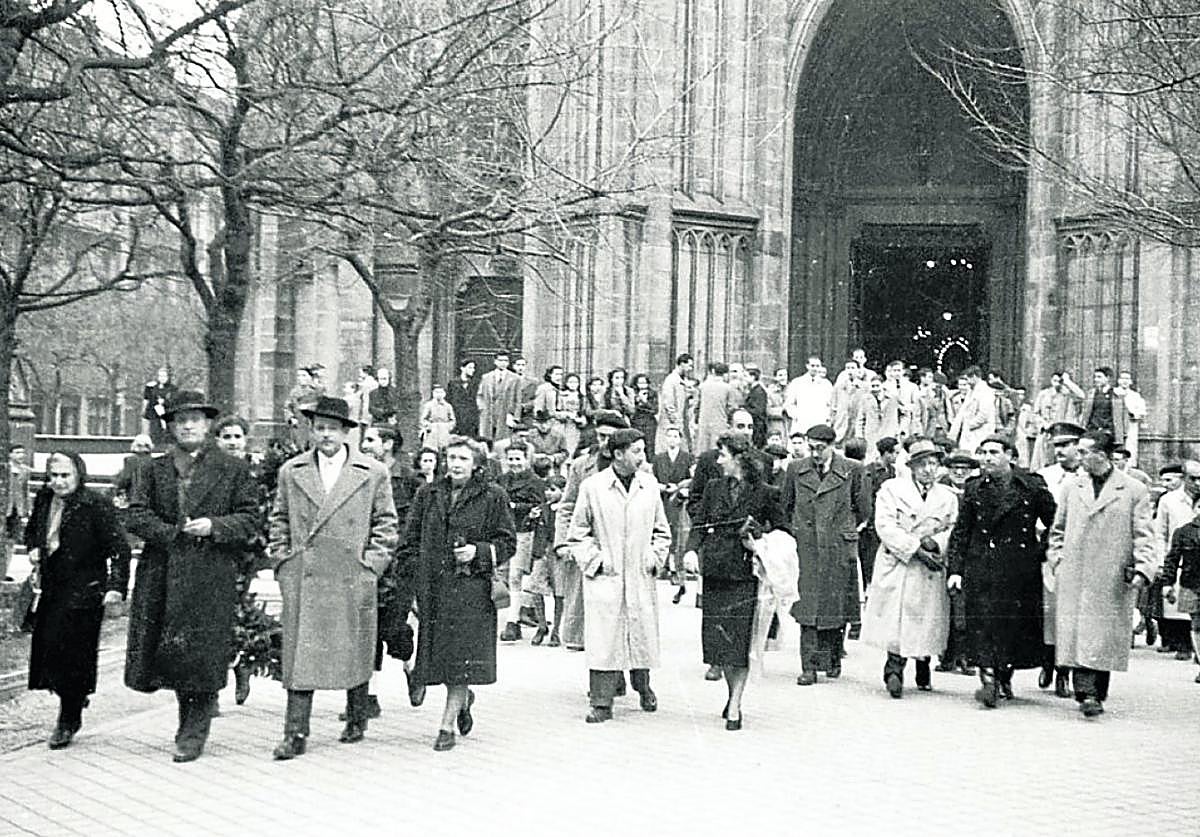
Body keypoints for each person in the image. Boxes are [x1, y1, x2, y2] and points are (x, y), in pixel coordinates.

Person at [123, 390, 260, 763]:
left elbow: (250, 519)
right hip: (163, 571)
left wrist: (214, 526)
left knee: (202, 654)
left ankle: (193, 732)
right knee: (172, 653)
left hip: (209, 572)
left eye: (195, 420)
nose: (188, 426)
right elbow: (136, 514)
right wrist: (171, 533)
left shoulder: (232, 469)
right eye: (180, 420)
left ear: (208, 424)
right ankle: (189, 721)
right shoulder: (153, 469)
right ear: (170, 427)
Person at [267, 396, 399, 759]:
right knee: (300, 656)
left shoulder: (372, 472)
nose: (326, 435)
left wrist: (371, 566)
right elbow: (279, 519)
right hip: (305, 575)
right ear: (311, 430)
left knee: (354, 648)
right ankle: (295, 732)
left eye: (333, 428)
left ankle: (356, 716)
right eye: (320, 428)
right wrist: (283, 562)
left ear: (345, 433)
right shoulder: (291, 471)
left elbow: (386, 523)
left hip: (351, 574)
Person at [398, 436, 516, 750]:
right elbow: (410, 540)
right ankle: (463, 700)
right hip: (434, 589)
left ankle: (446, 726)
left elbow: (507, 542)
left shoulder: (493, 496)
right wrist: (412, 580)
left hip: (471, 591)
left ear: (476, 464)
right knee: (440, 658)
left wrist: (479, 552)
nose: (456, 464)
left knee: (461, 659)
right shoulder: (428, 494)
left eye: (463, 458)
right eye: (451, 458)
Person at [1047, 429, 1158, 717]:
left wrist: (1143, 567)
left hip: (1111, 573)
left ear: (1102, 455)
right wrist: (1057, 559)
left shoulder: (1133, 490)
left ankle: (1095, 692)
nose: (1079, 456)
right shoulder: (1072, 487)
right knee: (1080, 633)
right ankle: (1087, 693)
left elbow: (1144, 534)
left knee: (1102, 634)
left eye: (1084, 452)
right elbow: (1057, 529)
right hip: (1075, 571)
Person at [24, 450, 129, 749]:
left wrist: (116, 587)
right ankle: (73, 696)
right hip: (52, 587)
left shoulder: (95, 504)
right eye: (53, 476)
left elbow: (119, 548)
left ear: (78, 475)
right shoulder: (45, 499)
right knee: (50, 651)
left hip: (84, 589)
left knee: (75, 655)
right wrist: (34, 547)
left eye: (65, 476)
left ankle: (68, 718)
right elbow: (33, 531)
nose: (59, 482)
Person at [566, 428, 671, 724]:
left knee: (638, 634)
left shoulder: (649, 486)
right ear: (618, 454)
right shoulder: (593, 487)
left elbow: (662, 531)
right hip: (606, 576)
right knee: (605, 640)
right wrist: (595, 561)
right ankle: (601, 702)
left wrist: (654, 557)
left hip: (639, 574)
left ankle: (643, 686)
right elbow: (578, 533)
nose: (642, 457)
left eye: (643, 451)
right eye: (636, 451)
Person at [945, 435, 1056, 708]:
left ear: (1010, 456)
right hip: (981, 566)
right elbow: (962, 531)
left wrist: (1039, 551)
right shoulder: (974, 488)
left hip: (1019, 569)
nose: (987, 458)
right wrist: (956, 569)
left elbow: (1056, 523)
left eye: (994, 452)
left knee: (1012, 627)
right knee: (983, 624)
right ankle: (989, 681)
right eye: (983, 452)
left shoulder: (1031, 485)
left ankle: (1004, 676)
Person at [682, 434, 781, 729]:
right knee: (720, 645)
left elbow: (783, 531)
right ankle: (731, 694)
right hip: (715, 572)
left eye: (723, 455)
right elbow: (699, 524)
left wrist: (759, 543)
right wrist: (690, 550)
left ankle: (736, 704)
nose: (719, 460)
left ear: (738, 458)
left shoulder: (765, 492)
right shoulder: (714, 488)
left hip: (744, 575)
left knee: (738, 643)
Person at [861, 439, 958, 698]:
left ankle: (923, 666)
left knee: (925, 618)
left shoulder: (947, 497)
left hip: (931, 565)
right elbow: (884, 526)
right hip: (900, 562)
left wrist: (936, 542)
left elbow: (954, 528)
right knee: (897, 620)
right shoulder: (892, 490)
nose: (928, 469)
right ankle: (894, 670)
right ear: (912, 466)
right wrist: (915, 548)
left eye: (933, 464)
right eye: (922, 464)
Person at [783, 423, 870, 685]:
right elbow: (786, 506)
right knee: (808, 606)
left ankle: (831, 658)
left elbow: (863, 509)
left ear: (833, 446)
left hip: (837, 546)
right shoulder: (796, 469)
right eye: (811, 448)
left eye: (820, 448)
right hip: (807, 546)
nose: (815, 454)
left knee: (835, 604)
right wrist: (799, 531)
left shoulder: (853, 469)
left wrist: (842, 530)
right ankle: (808, 666)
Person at [554, 411, 628, 651]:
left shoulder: (632, 467)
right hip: (586, 546)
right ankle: (582, 646)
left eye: (609, 437)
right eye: (600, 436)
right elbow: (567, 506)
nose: (604, 442)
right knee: (581, 606)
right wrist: (563, 543)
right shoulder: (581, 466)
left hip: (619, 546)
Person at [360, 424, 421, 712]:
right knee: (367, 629)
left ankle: (411, 666)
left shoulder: (409, 480)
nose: (364, 445)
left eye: (370, 440)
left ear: (388, 444)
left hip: (399, 569)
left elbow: (417, 525)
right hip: (368, 564)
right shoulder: (360, 476)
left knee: (393, 630)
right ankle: (369, 697)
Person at [1036, 420, 1087, 696]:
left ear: (1079, 446)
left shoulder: (1090, 478)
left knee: (1073, 614)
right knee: (1050, 612)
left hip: (1081, 553)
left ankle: (1064, 672)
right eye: (1056, 445)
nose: (1060, 451)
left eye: (1066, 445)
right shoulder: (1043, 477)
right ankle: (1048, 662)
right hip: (1049, 551)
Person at [498, 441, 546, 642]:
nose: (514, 463)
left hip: (524, 532)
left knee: (516, 576)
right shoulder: (502, 480)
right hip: (503, 532)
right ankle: (513, 617)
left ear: (527, 459)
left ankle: (513, 622)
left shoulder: (535, 482)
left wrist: (515, 506)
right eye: (510, 459)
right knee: (503, 575)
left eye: (518, 459)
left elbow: (539, 507)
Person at [1154, 459, 1200, 660]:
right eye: (1193, 479)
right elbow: (1160, 532)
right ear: (1183, 478)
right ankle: (1183, 644)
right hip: (1178, 558)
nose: (1197, 483)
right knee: (1179, 607)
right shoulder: (1169, 500)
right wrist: (1160, 561)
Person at [653, 426, 694, 605]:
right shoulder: (658, 458)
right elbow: (652, 479)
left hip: (680, 500)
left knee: (679, 534)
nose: (672, 439)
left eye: (675, 436)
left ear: (680, 439)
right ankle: (664, 566)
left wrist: (679, 487)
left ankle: (677, 570)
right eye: (669, 436)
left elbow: (692, 479)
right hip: (662, 499)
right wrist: (663, 487)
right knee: (663, 530)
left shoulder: (687, 458)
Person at [527, 475, 568, 646]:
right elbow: (529, 527)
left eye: (553, 490)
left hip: (558, 552)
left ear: (563, 491)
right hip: (542, 552)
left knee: (560, 591)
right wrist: (531, 518)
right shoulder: (542, 508)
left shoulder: (566, 509)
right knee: (535, 588)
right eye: (547, 490)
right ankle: (542, 625)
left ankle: (556, 629)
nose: (548, 493)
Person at [1162, 508, 1200, 683]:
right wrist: (1167, 584)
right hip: (1191, 584)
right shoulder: (1183, 532)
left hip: (1191, 584)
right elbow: (1172, 559)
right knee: (1197, 625)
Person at [1031, 370, 1086, 469]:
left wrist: (1067, 382)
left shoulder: (1068, 395)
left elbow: (1081, 396)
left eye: (1059, 381)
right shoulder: (1043, 394)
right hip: (1045, 432)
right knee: (1041, 461)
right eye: (1054, 380)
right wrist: (1042, 424)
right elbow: (1036, 413)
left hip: (1060, 432)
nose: (1056, 383)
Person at [948, 366, 996, 454]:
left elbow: (984, 414)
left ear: (974, 376)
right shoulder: (971, 391)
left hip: (980, 431)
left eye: (968, 379)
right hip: (969, 433)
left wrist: (969, 425)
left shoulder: (986, 391)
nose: (967, 382)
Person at [783, 356, 833, 436]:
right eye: (812, 366)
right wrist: (796, 415)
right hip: (802, 423)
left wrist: (827, 417)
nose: (815, 368)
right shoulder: (797, 382)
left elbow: (831, 404)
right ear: (807, 366)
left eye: (817, 366)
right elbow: (789, 403)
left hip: (819, 421)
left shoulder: (826, 384)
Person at [656, 353, 693, 453]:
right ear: (682, 364)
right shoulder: (671, 380)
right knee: (669, 447)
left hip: (680, 420)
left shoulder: (682, 380)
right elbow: (668, 402)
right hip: (671, 422)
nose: (690, 369)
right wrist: (675, 420)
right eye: (689, 366)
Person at [6, 443, 32, 581]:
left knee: (11, 541)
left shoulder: (25, 471)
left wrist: (27, 510)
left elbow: (25, 491)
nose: (21, 455)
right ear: (10, 454)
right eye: (17, 452)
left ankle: (4, 569)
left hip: (17, 509)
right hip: (5, 509)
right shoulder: (4, 469)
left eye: (22, 452)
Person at [477, 353, 518, 441]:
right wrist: (482, 408)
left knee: (503, 440)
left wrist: (515, 417)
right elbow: (480, 395)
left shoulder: (515, 378)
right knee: (486, 439)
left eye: (505, 361)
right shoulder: (486, 377)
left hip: (505, 413)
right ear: (495, 361)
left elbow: (518, 399)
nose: (503, 363)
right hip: (488, 413)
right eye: (500, 360)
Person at [1081, 366, 1127, 444]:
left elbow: (1123, 415)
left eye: (1099, 377)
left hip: (1108, 432)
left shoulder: (1116, 395)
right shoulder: (1092, 394)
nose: (1096, 379)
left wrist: (1123, 434)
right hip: (1092, 430)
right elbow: (1086, 413)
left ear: (1107, 378)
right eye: (1095, 377)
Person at [696, 362, 734, 453]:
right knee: (717, 448)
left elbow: (697, 405)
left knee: (703, 447)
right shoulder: (728, 388)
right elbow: (731, 407)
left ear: (713, 372)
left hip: (704, 422)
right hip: (720, 422)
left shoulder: (702, 386)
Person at [1114, 371, 1147, 465]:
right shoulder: (1113, 393)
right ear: (1118, 380)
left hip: (1130, 424)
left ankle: (1129, 465)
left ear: (1131, 381)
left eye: (1127, 379)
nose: (1125, 381)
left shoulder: (1135, 396)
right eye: (1122, 378)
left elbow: (1142, 411)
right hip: (1116, 425)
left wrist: (1133, 414)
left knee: (1130, 446)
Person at [142, 365, 178, 447]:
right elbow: (149, 401)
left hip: (168, 416)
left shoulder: (173, 389)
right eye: (160, 376)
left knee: (168, 434)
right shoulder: (153, 388)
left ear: (168, 377)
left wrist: (165, 402)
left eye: (164, 376)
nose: (162, 378)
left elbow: (175, 401)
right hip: (155, 416)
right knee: (155, 434)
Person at [446, 359, 480, 438]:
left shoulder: (476, 383)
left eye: (473, 368)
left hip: (471, 420)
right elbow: (449, 400)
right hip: (457, 418)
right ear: (462, 368)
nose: (473, 370)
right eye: (470, 367)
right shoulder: (453, 384)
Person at [630, 373, 659, 458]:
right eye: (640, 383)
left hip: (649, 423)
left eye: (644, 382)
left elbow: (654, 410)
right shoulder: (632, 393)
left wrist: (644, 402)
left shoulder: (653, 393)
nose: (643, 385)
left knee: (649, 446)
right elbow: (632, 409)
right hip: (636, 422)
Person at [419, 384, 456, 451]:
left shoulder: (448, 406)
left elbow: (452, 420)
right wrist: (429, 426)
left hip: (444, 430)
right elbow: (423, 419)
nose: (439, 394)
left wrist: (448, 427)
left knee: (445, 448)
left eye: (441, 392)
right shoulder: (429, 405)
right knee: (431, 449)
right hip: (432, 430)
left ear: (444, 394)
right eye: (437, 392)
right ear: (433, 394)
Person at [743, 367, 769, 449]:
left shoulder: (758, 391)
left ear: (753, 377)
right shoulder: (754, 390)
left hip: (758, 426)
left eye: (745, 376)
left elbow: (758, 410)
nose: (744, 379)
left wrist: (744, 410)